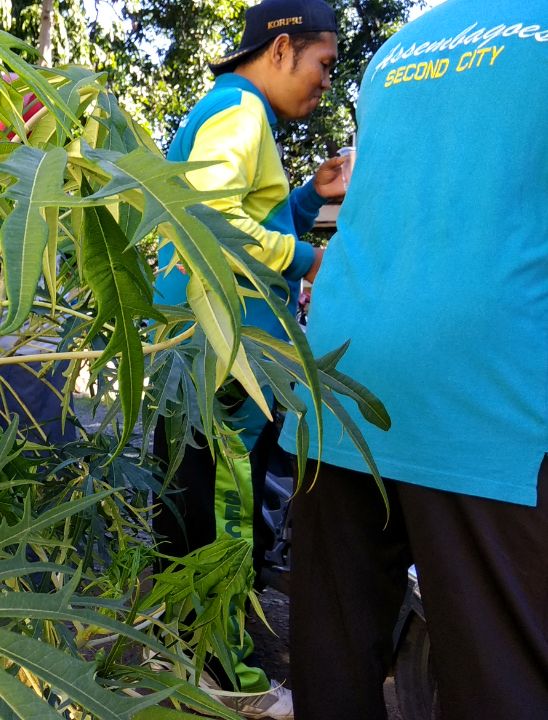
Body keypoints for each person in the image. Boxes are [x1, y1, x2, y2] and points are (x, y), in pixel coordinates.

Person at [280, 1, 548, 718]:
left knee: (333, 663)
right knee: (506, 677)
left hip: (341, 371)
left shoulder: (400, 46)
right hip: (488, 380)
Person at [150, 1, 348, 718]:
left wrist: (304, 200)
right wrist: (309, 254)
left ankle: (177, 648)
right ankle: (230, 677)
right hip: (229, 353)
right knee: (234, 516)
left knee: (193, 502)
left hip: (199, 346)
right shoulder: (240, 112)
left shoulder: (229, 110)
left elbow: (237, 215)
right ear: (283, 46)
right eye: (324, 65)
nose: (326, 83)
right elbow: (214, 226)